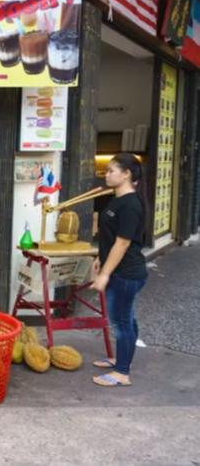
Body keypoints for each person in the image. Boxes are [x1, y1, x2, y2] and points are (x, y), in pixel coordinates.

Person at [90, 153, 148, 387]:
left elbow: (123, 243)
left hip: (126, 274)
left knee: (122, 322)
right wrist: (99, 257)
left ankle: (122, 372)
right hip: (119, 270)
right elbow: (110, 236)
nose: (108, 173)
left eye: (113, 170)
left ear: (127, 174)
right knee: (127, 319)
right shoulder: (116, 200)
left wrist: (104, 275)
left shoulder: (131, 205)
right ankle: (122, 359)